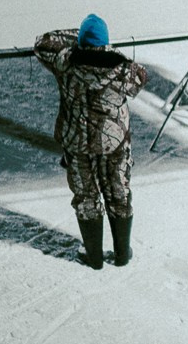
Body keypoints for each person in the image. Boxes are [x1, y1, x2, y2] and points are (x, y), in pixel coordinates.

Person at [34, 15, 145, 269]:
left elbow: (42, 43)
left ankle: (94, 257)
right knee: (119, 191)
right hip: (114, 143)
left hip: (77, 141)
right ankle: (121, 253)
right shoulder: (122, 69)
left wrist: (78, 38)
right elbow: (141, 78)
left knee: (86, 196)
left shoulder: (65, 61)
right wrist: (106, 49)